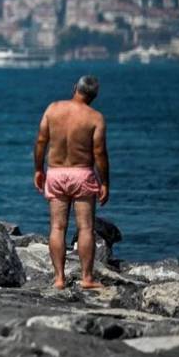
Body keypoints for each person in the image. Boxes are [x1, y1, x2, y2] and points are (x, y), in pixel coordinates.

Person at [33, 75, 110, 291]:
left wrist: (39, 169)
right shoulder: (95, 118)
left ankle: (59, 279)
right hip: (81, 174)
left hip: (56, 173)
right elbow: (99, 153)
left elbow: (41, 141)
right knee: (85, 227)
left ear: (75, 88)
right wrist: (105, 182)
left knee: (57, 227)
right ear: (94, 96)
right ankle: (87, 278)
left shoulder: (53, 108)